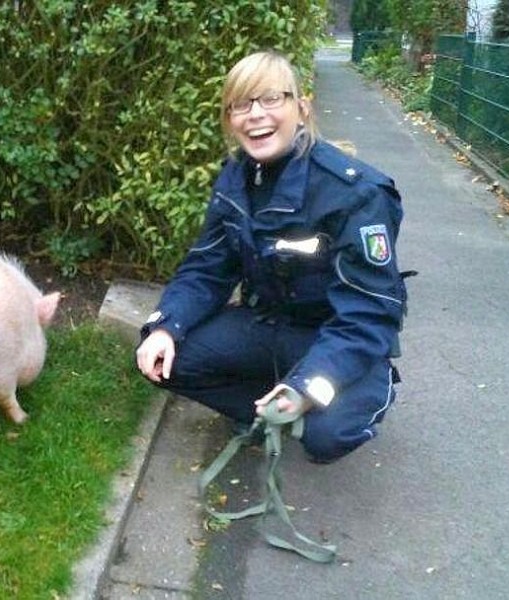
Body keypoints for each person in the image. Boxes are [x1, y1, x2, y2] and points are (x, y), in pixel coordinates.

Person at [135, 49, 408, 463]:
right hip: (267, 325)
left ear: (301, 107)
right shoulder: (236, 177)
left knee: (324, 437)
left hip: (338, 337)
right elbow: (206, 269)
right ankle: (265, 414)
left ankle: (365, 385)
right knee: (165, 360)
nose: (255, 115)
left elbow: (369, 313)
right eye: (240, 105)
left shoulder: (357, 193)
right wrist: (165, 327)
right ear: (230, 121)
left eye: (270, 99)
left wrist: (306, 386)